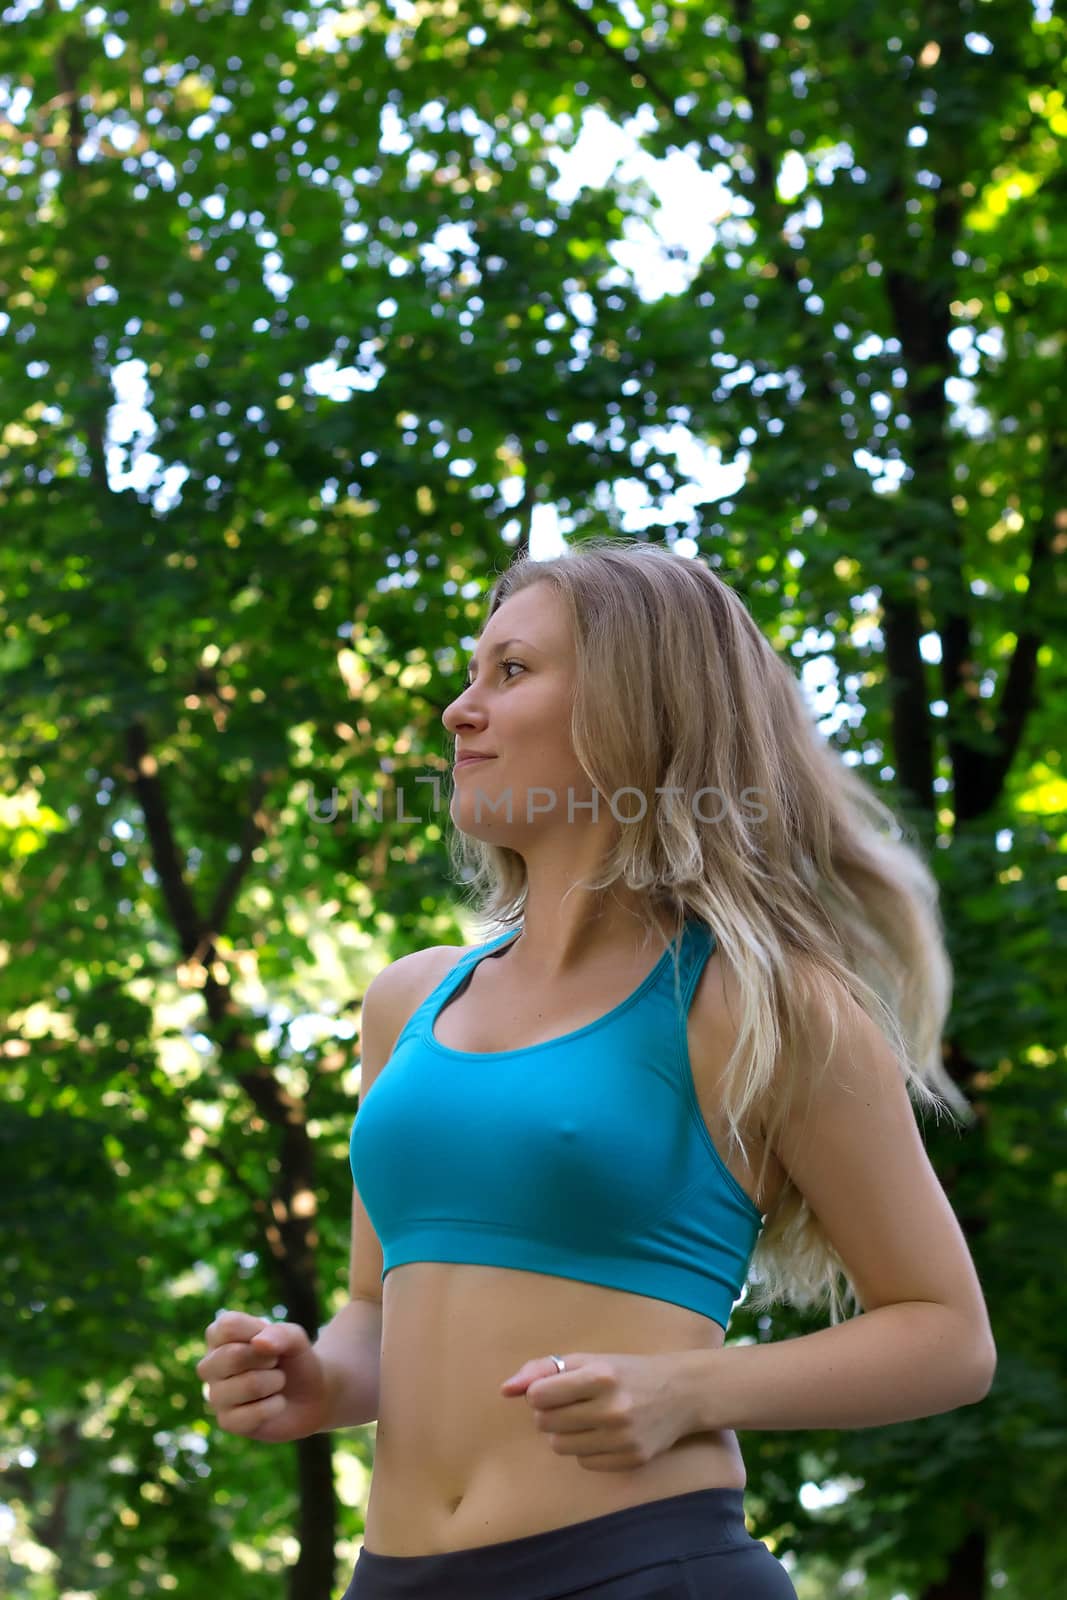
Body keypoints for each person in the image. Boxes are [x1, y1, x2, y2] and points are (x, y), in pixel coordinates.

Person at [198, 538, 997, 1600]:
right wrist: (314, 1378)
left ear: (635, 708)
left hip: (643, 1567)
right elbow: (375, 1312)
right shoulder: (410, 1002)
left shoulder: (759, 1006)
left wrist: (687, 1389)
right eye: (471, 670)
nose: (457, 708)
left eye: (510, 671)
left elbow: (946, 1336)